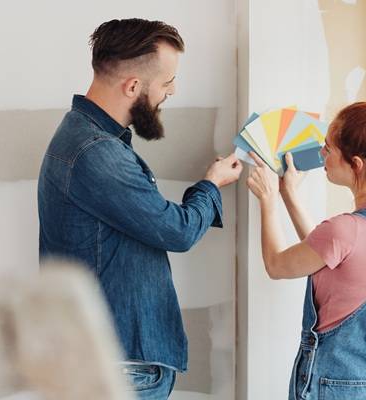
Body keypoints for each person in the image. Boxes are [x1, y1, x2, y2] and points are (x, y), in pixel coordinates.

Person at [37, 18, 242, 399]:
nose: (172, 91)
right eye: (167, 82)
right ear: (132, 86)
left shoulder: (82, 137)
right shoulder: (96, 153)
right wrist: (211, 185)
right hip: (119, 367)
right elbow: (175, 231)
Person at [246, 90, 366, 399]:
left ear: (355, 164)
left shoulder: (345, 229)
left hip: (336, 388)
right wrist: (290, 196)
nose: (321, 155)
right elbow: (327, 258)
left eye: (328, 149)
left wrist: (268, 200)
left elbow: (277, 264)